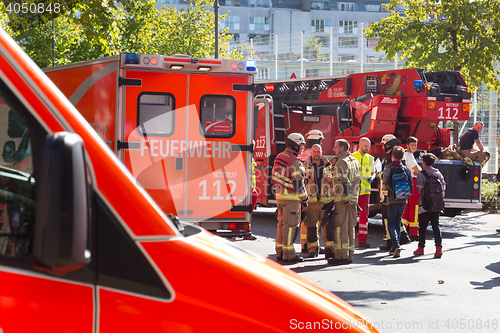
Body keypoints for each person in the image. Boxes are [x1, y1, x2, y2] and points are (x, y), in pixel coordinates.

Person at [271, 133, 308, 263]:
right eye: (301, 145)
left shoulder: (279, 157)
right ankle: (289, 254)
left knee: (281, 225)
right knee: (290, 226)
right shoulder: (295, 161)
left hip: (280, 197)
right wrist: (304, 200)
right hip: (291, 199)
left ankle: (280, 252)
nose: (302, 148)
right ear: (295, 145)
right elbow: (299, 184)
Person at [329, 139, 361, 265]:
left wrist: (345, 198)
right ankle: (350, 255)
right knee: (350, 228)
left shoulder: (341, 162)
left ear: (342, 148)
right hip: (354, 199)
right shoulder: (354, 161)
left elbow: (343, 181)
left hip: (343, 200)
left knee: (340, 228)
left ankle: (341, 256)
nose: (333, 149)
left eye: (335, 147)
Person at [378, 134, 411, 251]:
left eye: (384, 145)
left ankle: (391, 243)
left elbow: (385, 178)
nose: (383, 147)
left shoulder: (389, 159)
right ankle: (403, 237)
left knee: (388, 220)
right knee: (397, 219)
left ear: (388, 144)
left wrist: (379, 173)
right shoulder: (404, 161)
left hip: (390, 196)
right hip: (402, 196)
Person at [303, 144, 334, 258]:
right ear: (311, 153)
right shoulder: (305, 166)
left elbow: (335, 182)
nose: (316, 154)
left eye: (318, 152)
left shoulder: (328, 166)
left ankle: (329, 250)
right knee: (311, 227)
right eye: (314, 152)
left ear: (322, 152)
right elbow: (301, 183)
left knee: (327, 227)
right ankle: (313, 249)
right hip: (311, 202)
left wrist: (332, 180)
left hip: (325, 202)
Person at [413, 153, 445, 258]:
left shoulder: (421, 174)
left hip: (425, 204)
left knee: (422, 227)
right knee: (436, 226)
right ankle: (439, 248)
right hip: (437, 205)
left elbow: (419, 189)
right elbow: (443, 188)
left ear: (424, 163)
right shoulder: (438, 173)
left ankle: (421, 248)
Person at [298, 129, 325, 253]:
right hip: (313, 195)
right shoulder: (313, 154)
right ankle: (311, 245)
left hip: (306, 194)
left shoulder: (303, 153)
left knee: (307, 222)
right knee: (313, 224)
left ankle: (304, 245)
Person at [352, 137, 374, 248]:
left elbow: (374, 171)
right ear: (360, 145)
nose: (367, 148)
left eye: (368, 146)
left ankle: (362, 240)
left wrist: (372, 177)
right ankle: (349, 239)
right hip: (354, 191)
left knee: (364, 216)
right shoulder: (352, 157)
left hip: (365, 192)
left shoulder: (370, 158)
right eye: (365, 146)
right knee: (350, 216)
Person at [401, 136, 421, 241]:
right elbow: (416, 170)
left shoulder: (408, 155)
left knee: (408, 208)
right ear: (407, 145)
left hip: (409, 182)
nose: (414, 147)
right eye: (412, 145)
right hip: (413, 181)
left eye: (415, 145)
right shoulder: (408, 155)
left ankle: (404, 231)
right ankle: (413, 232)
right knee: (414, 207)